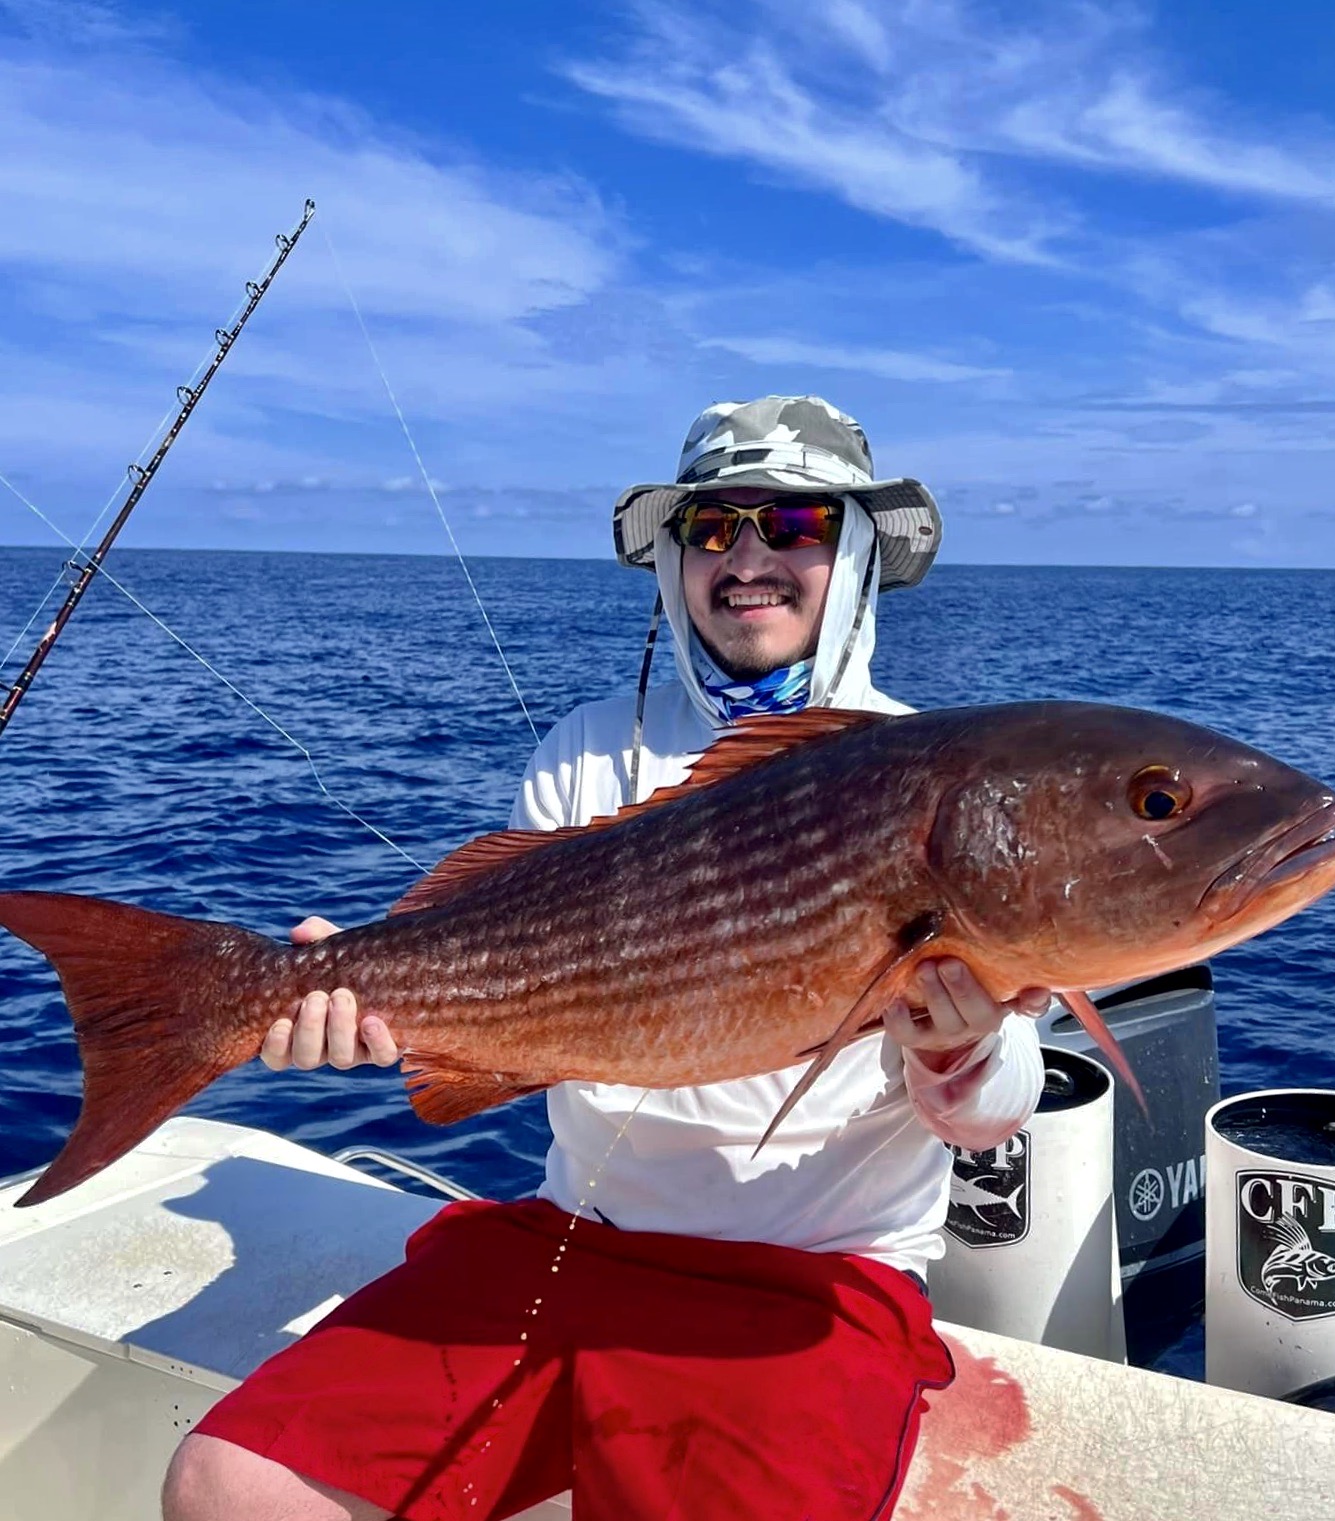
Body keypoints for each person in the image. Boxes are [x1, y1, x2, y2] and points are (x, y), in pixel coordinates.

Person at [163, 396, 1049, 1521]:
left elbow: (990, 1116)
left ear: (858, 549)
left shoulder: (936, 771)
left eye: (793, 525)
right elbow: (506, 966)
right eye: (713, 529)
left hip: (818, 1280)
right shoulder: (586, 746)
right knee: (228, 1481)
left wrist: (959, 1052)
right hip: (575, 1238)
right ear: (674, 557)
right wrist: (362, 990)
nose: (749, 558)